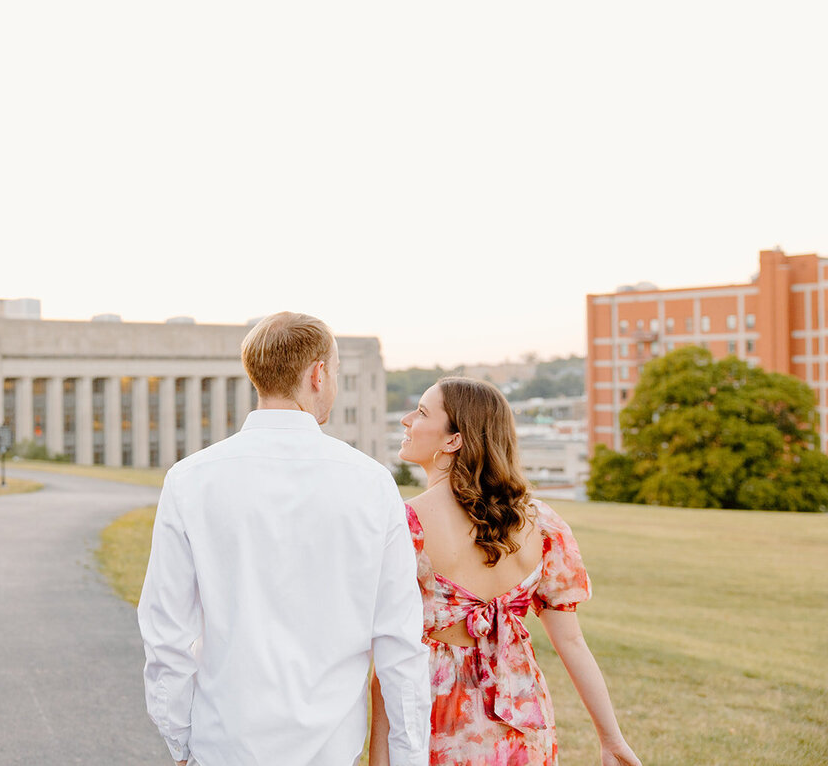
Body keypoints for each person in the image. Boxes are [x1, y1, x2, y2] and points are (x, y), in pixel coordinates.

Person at [138, 312, 432, 766]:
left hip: (223, 741)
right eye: (334, 373)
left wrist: (179, 741)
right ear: (318, 374)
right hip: (330, 747)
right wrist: (409, 756)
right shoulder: (372, 484)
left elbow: (167, 631)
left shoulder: (190, 479)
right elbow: (399, 640)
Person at [370, 377, 640, 766]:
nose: (406, 420)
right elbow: (572, 643)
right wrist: (611, 739)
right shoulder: (542, 524)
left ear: (453, 440)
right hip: (524, 721)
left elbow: (387, 659)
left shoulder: (405, 524)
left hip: (438, 719)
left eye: (423, 412)